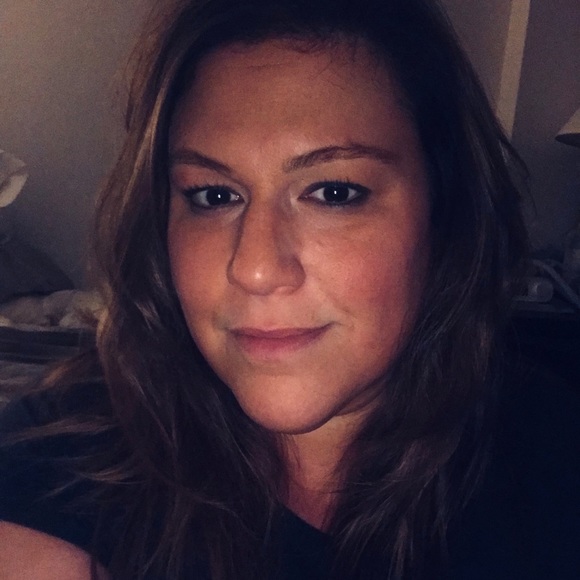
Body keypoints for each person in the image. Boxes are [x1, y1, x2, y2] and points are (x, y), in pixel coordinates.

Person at [0, 0, 579, 578]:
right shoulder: (57, 460)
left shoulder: (552, 457)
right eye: (214, 195)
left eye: (334, 193)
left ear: (445, 209)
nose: (255, 269)